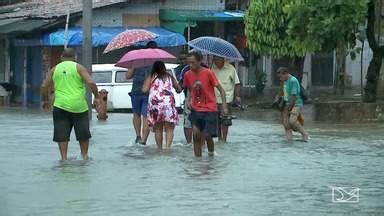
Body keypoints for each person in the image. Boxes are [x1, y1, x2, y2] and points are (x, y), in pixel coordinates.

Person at [40, 48, 100, 160]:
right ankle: (84, 156)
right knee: (83, 134)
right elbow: (91, 82)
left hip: (60, 106)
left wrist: (45, 100)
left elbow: (44, 86)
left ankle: (63, 159)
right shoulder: (79, 68)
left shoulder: (54, 69)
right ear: (75, 57)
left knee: (62, 135)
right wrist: (96, 97)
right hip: (79, 107)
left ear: (61, 57)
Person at [183, 51, 228, 157]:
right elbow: (189, 89)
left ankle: (211, 154)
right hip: (195, 108)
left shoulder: (208, 73)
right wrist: (189, 100)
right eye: (188, 63)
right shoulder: (187, 74)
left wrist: (224, 106)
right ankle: (197, 161)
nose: (190, 65)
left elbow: (221, 90)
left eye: (193, 62)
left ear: (200, 61)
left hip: (209, 109)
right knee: (196, 134)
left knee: (207, 135)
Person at [142, 61, 182, 150]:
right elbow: (179, 89)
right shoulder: (169, 76)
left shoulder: (151, 76)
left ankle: (159, 149)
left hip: (155, 105)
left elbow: (144, 90)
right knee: (169, 128)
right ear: (164, 68)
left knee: (158, 128)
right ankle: (167, 148)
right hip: (168, 105)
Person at [125, 41, 157, 145]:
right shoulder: (136, 60)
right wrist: (133, 65)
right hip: (136, 92)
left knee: (146, 115)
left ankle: (143, 139)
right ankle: (138, 136)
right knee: (137, 114)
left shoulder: (157, 64)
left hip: (149, 93)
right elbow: (128, 76)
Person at [211, 56, 241, 143]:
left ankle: (224, 139)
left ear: (223, 59)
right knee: (216, 120)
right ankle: (219, 138)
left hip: (227, 98)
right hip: (213, 98)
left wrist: (237, 96)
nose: (216, 61)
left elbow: (237, 83)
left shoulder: (231, 68)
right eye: (215, 59)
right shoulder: (210, 68)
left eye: (218, 59)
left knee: (225, 119)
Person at [277, 67, 309, 142]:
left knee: (292, 121)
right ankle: (289, 142)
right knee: (286, 125)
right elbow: (282, 92)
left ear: (285, 74)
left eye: (281, 77)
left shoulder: (293, 80)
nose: (280, 79)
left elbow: (294, 96)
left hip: (296, 104)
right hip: (286, 104)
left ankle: (305, 134)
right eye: (279, 77)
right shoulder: (284, 81)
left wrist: (289, 108)